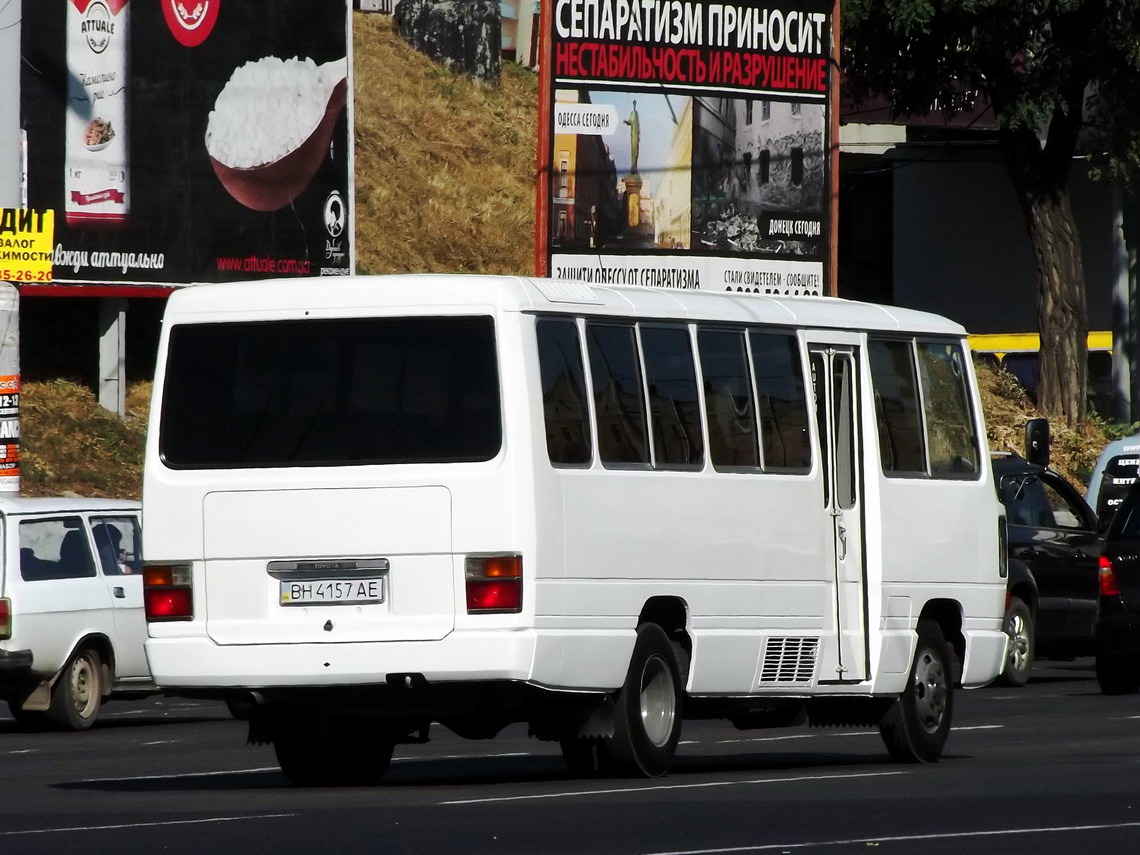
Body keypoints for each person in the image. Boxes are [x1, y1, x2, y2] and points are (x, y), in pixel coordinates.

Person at [624, 101, 640, 174]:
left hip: (636, 134)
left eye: (635, 104)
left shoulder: (637, 114)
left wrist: (639, 135)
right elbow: (630, 122)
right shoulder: (632, 113)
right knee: (633, 150)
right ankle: (633, 167)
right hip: (633, 134)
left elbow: (638, 125)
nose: (634, 105)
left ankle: (635, 167)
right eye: (633, 104)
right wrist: (626, 121)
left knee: (636, 151)